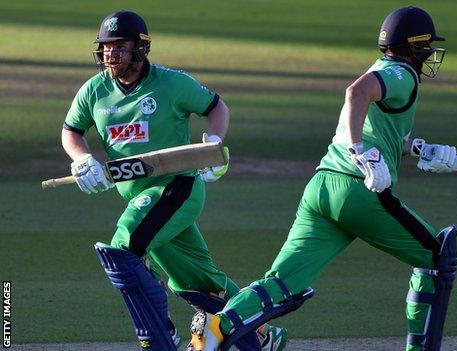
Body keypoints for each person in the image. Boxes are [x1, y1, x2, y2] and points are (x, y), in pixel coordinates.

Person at [185, 6, 457, 351]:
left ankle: (217, 328)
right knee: (437, 259)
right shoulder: (402, 74)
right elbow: (356, 92)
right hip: (357, 191)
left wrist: (419, 148)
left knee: (283, 282)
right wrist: (361, 151)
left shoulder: (382, 69)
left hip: (321, 189)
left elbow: (379, 127)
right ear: (414, 46)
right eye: (426, 46)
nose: (429, 54)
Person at [61, 10, 287, 351]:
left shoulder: (171, 83)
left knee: (122, 251)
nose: (110, 54)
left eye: (119, 47)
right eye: (106, 47)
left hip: (176, 187)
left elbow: (217, 108)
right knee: (196, 282)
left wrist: (213, 143)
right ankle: (263, 338)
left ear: (141, 48)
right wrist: (82, 159)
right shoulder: (95, 90)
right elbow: (71, 131)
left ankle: (159, 334)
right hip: (138, 193)